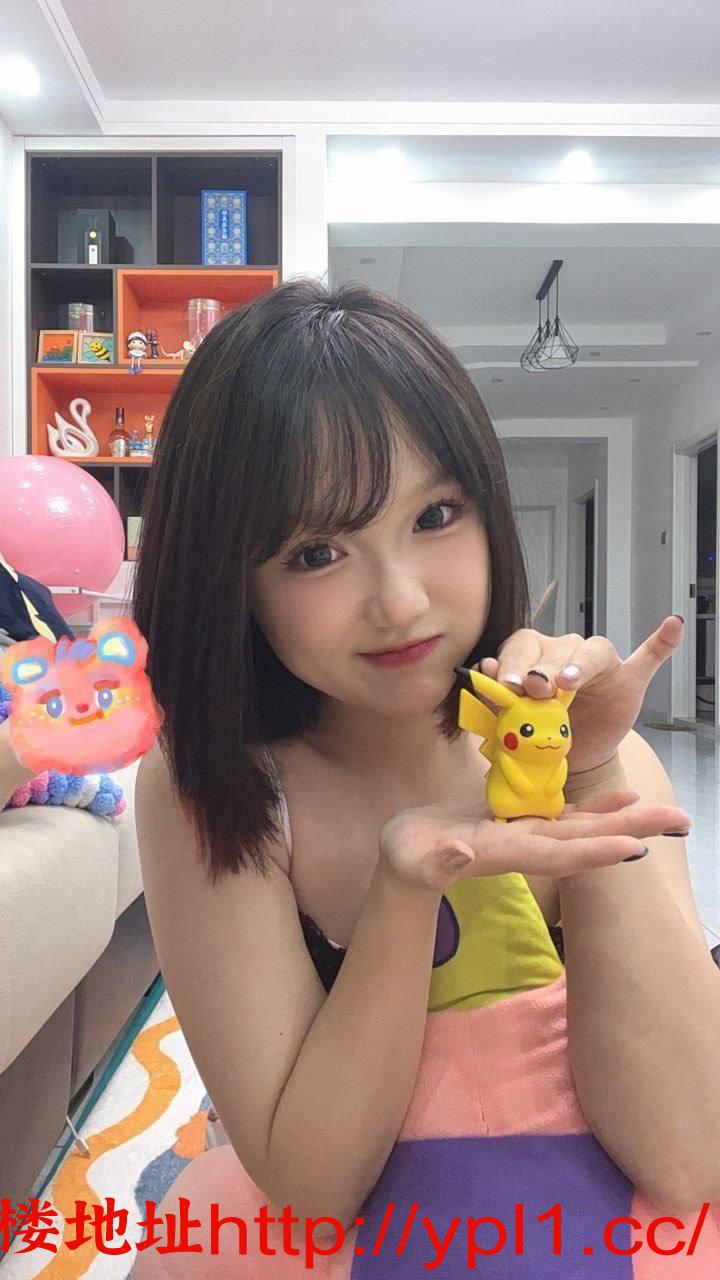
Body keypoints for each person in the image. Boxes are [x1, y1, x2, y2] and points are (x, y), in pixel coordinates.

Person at [129, 279, 720, 1277]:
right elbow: (313, 1188)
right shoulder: (222, 789)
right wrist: (404, 892)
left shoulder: (588, 746)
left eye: (436, 514)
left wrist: (589, 771)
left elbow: (690, 1152)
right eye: (319, 551)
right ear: (233, 580)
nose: (401, 602)